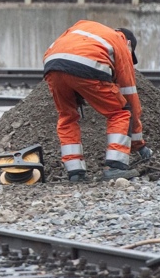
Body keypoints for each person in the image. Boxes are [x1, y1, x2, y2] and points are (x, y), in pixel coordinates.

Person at [42, 20, 151, 183]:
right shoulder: (120, 43)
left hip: (52, 63)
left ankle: (75, 172)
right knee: (120, 112)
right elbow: (130, 96)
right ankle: (115, 167)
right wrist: (138, 144)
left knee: (67, 116)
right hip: (87, 65)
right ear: (128, 43)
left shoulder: (87, 28)